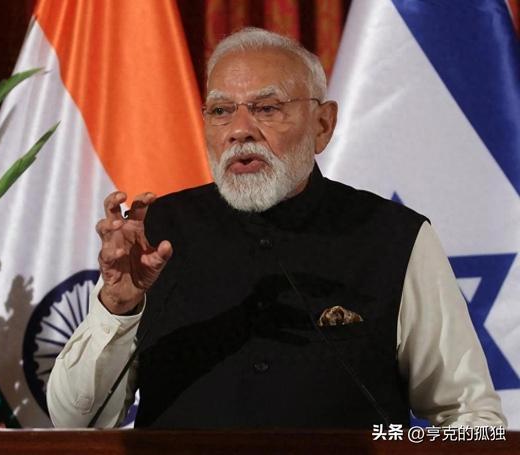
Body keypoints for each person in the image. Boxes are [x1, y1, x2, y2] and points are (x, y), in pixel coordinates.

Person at [47, 27, 506, 429]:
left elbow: (471, 421)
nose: (239, 130)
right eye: (220, 111)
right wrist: (118, 307)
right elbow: (74, 420)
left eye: (266, 108)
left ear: (322, 124)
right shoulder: (157, 234)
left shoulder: (395, 237)